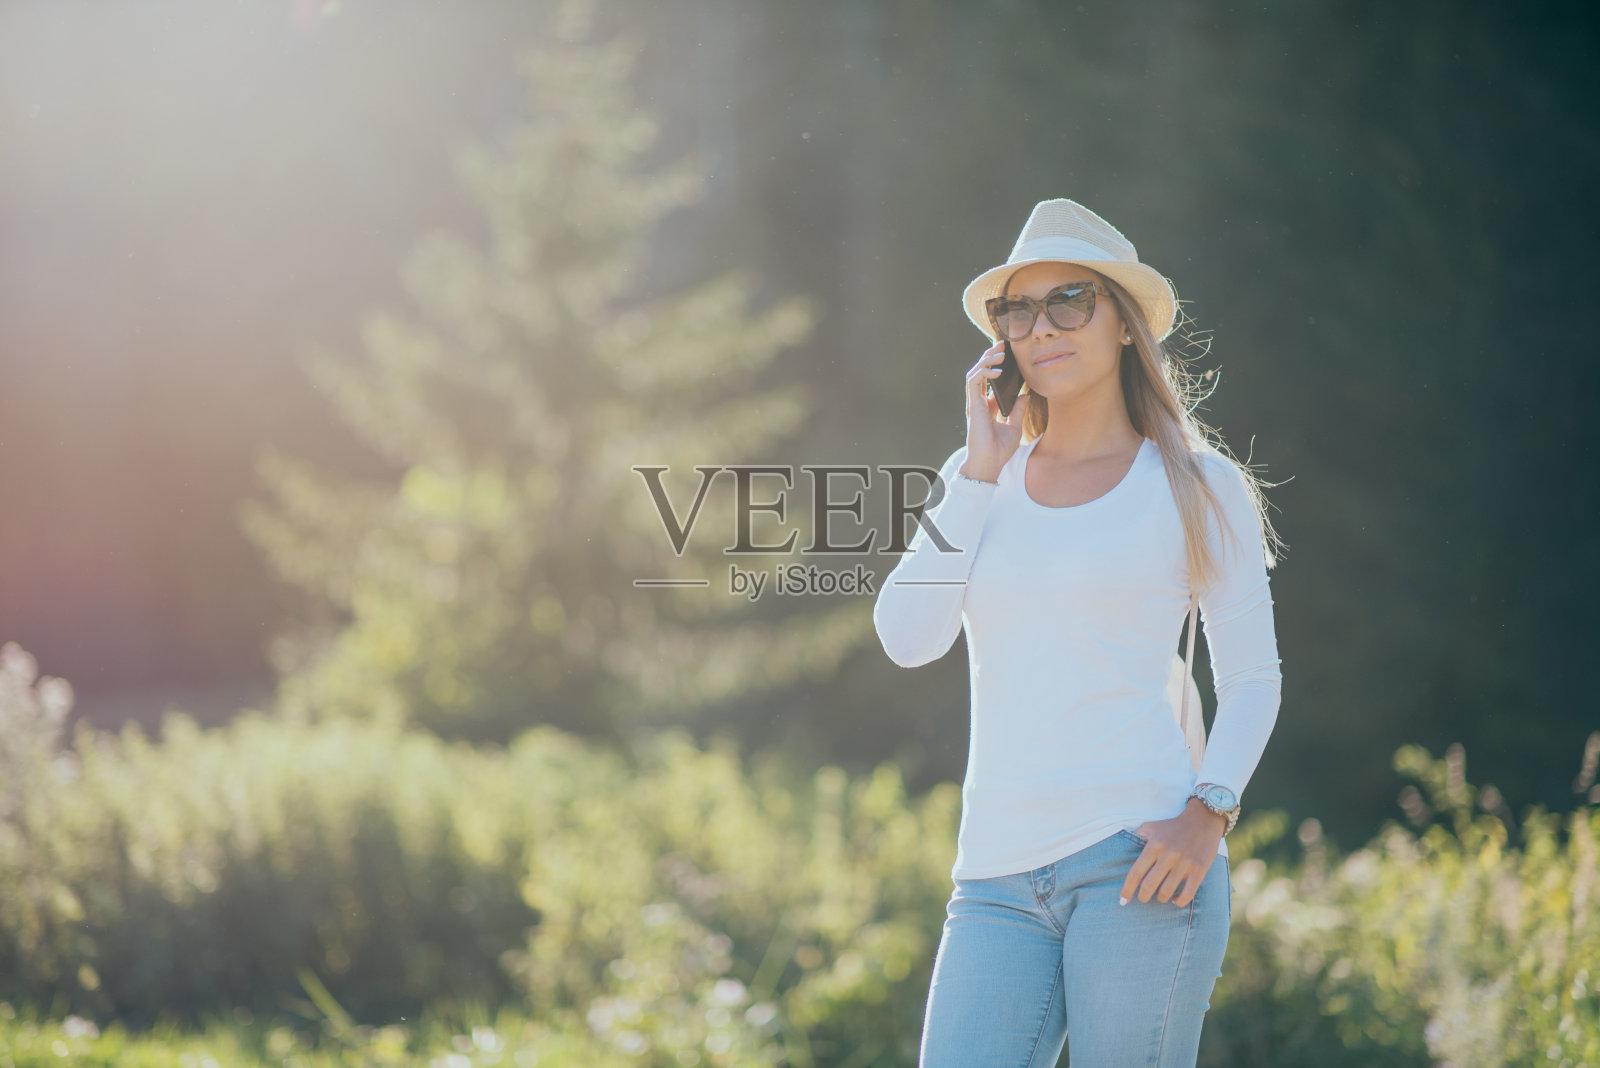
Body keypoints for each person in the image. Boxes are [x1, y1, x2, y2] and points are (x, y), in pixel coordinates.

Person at [873, 198, 1285, 1067]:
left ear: (1125, 324)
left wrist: (1209, 813)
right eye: (1017, 310)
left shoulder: (1199, 485)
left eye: (1070, 300)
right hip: (992, 875)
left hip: (1140, 862)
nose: (1041, 327)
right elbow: (908, 637)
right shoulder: (976, 476)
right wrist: (980, 472)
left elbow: (1251, 678)